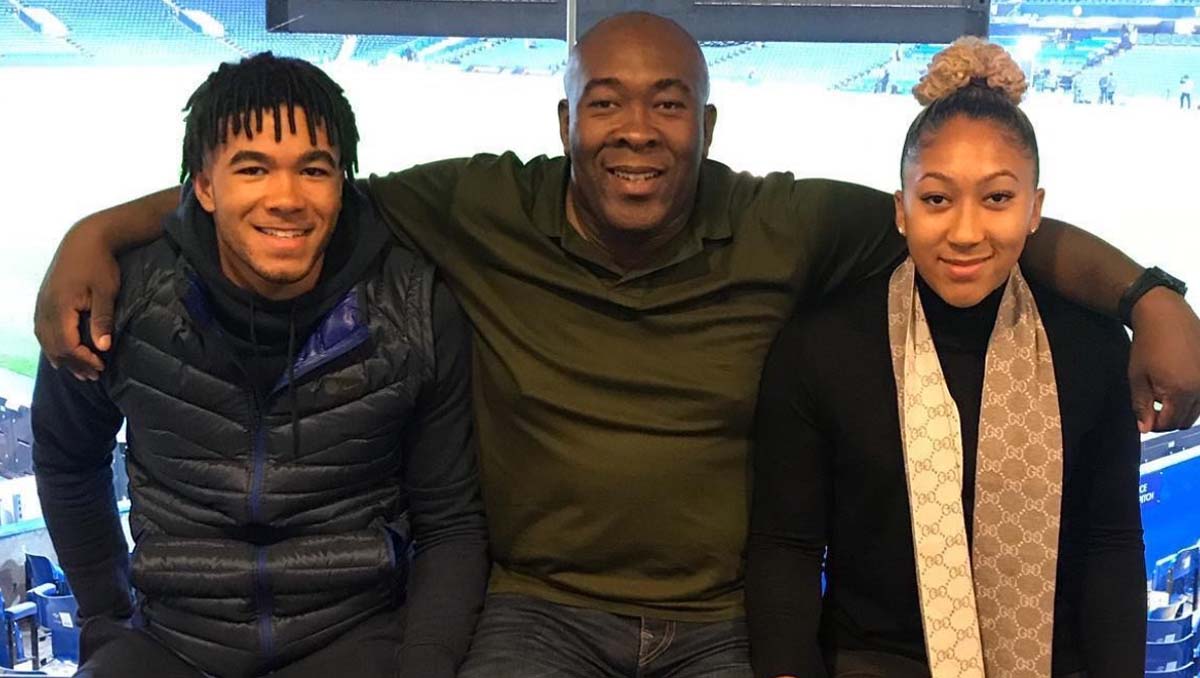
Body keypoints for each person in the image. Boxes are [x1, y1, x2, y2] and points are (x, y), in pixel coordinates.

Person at [33, 13, 1200, 677]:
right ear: (562, 122)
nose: (634, 129)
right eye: (604, 101)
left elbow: (971, 214)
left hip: (719, 617)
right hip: (536, 609)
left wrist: (1150, 296)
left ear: (708, 123)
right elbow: (291, 194)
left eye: (667, 104)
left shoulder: (790, 222)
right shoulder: (482, 205)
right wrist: (99, 232)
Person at [30, 53, 487, 678]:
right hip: (171, 639)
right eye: (253, 168)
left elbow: (451, 524)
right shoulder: (119, 297)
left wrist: (426, 665)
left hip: (355, 637)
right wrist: (106, 620)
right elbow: (66, 460)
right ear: (205, 185)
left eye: (314, 169)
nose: (287, 199)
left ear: (343, 182)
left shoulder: (413, 306)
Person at [747, 39, 1145, 678]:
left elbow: (1110, 545)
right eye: (936, 199)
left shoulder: (1091, 349)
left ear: (1036, 209)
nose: (965, 232)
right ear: (900, 211)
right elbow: (786, 548)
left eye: (996, 199)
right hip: (874, 661)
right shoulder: (823, 349)